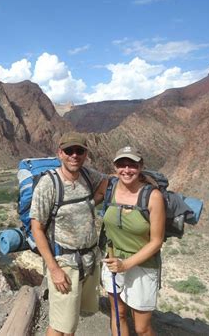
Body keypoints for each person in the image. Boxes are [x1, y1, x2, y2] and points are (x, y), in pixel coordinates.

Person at [30, 131, 107, 336]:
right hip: (64, 264)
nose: (74, 155)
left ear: (85, 154)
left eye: (79, 151)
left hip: (89, 260)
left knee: (70, 324)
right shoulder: (49, 184)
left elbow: (107, 181)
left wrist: (93, 201)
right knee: (59, 325)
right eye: (69, 151)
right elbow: (36, 228)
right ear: (60, 153)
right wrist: (54, 269)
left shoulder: (89, 176)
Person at [101, 146, 166, 336]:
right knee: (118, 314)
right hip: (112, 260)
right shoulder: (109, 189)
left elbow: (156, 241)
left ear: (141, 166)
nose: (127, 170)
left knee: (142, 328)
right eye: (122, 164)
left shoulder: (153, 197)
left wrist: (126, 264)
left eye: (132, 165)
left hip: (142, 265)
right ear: (115, 167)